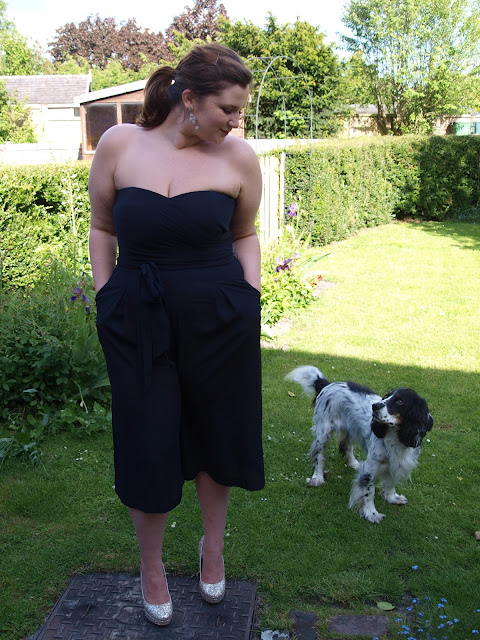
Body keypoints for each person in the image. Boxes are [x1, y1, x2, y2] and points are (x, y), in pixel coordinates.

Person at [88, 43, 265, 626]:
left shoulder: (238, 157)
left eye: (240, 111)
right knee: (148, 438)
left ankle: (213, 550)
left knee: (217, 432)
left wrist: (249, 298)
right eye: (228, 109)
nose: (236, 121)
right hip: (137, 319)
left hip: (219, 319)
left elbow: (244, 235)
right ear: (189, 99)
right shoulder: (120, 144)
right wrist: (107, 296)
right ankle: (152, 568)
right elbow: (102, 226)